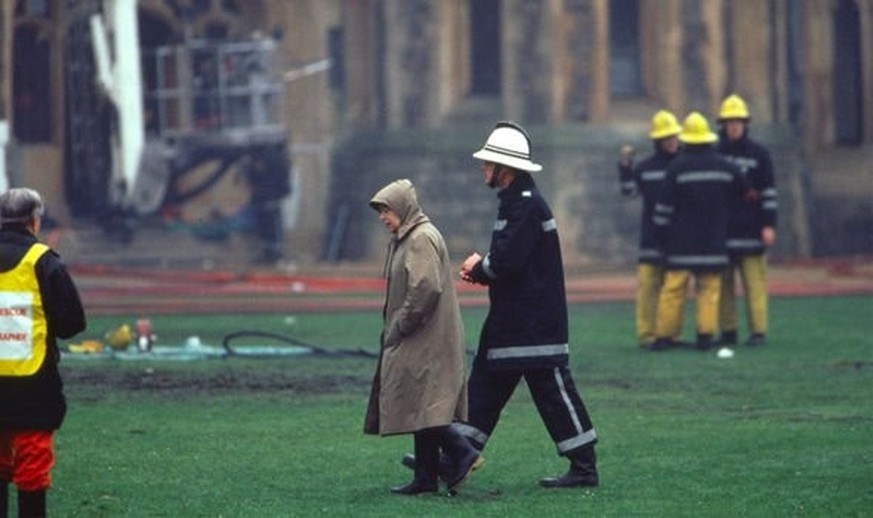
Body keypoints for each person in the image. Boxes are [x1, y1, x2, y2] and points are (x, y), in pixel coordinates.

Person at [455, 121, 599, 488]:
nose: (483, 168)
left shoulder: (525, 205)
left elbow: (506, 262)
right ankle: (457, 455)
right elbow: (508, 259)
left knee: (552, 391)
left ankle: (584, 467)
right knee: (485, 384)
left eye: (489, 163)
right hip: (514, 320)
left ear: (507, 169)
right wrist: (486, 269)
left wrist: (478, 267)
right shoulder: (517, 202)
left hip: (532, 322)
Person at [363, 179, 481, 495]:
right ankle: (425, 479)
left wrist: (401, 324)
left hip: (426, 335)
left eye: (386, 209)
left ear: (402, 207)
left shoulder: (419, 239)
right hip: (426, 334)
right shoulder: (412, 236)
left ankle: (462, 452)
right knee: (422, 402)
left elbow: (425, 287)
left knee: (426, 404)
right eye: (380, 211)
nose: (382, 217)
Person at [0, 188, 87, 517]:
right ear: (34, 221)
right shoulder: (43, 261)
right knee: (32, 471)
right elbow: (71, 324)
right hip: (32, 386)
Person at [650, 113, 749, 352]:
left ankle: (664, 337)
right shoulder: (727, 166)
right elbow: (744, 195)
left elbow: (662, 209)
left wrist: (661, 236)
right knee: (709, 290)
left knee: (673, 290)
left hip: (680, 244)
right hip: (714, 242)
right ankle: (705, 336)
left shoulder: (676, 168)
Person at [618, 110, 686, 348]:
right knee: (648, 288)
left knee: (674, 290)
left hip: (678, 236)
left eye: (674, 137)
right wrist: (625, 166)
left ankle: (670, 334)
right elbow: (629, 191)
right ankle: (647, 335)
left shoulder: (684, 165)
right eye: (667, 138)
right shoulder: (645, 167)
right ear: (657, 140)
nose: (672, 142)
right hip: (651, 237)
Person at [716, 94, 778, 347]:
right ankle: (728, 331)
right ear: (723, 124)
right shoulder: (715, 153)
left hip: (752, 229)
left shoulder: (760, 154)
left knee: (755, 285)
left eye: (738, 121)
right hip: (723, 230)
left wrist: (769, 224)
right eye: (730, 122)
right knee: (724, 287)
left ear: (745, 124)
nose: (734, 126)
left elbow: (769, 191)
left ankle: (758, 331)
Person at [246, 143, 292, 265]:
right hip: (268, 197)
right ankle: (272, 253)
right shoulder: (272, 156)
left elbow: (256, 176)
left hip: (267, 196)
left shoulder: (265, 156)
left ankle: (272, 254)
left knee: (270, 225)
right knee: (270, 225)